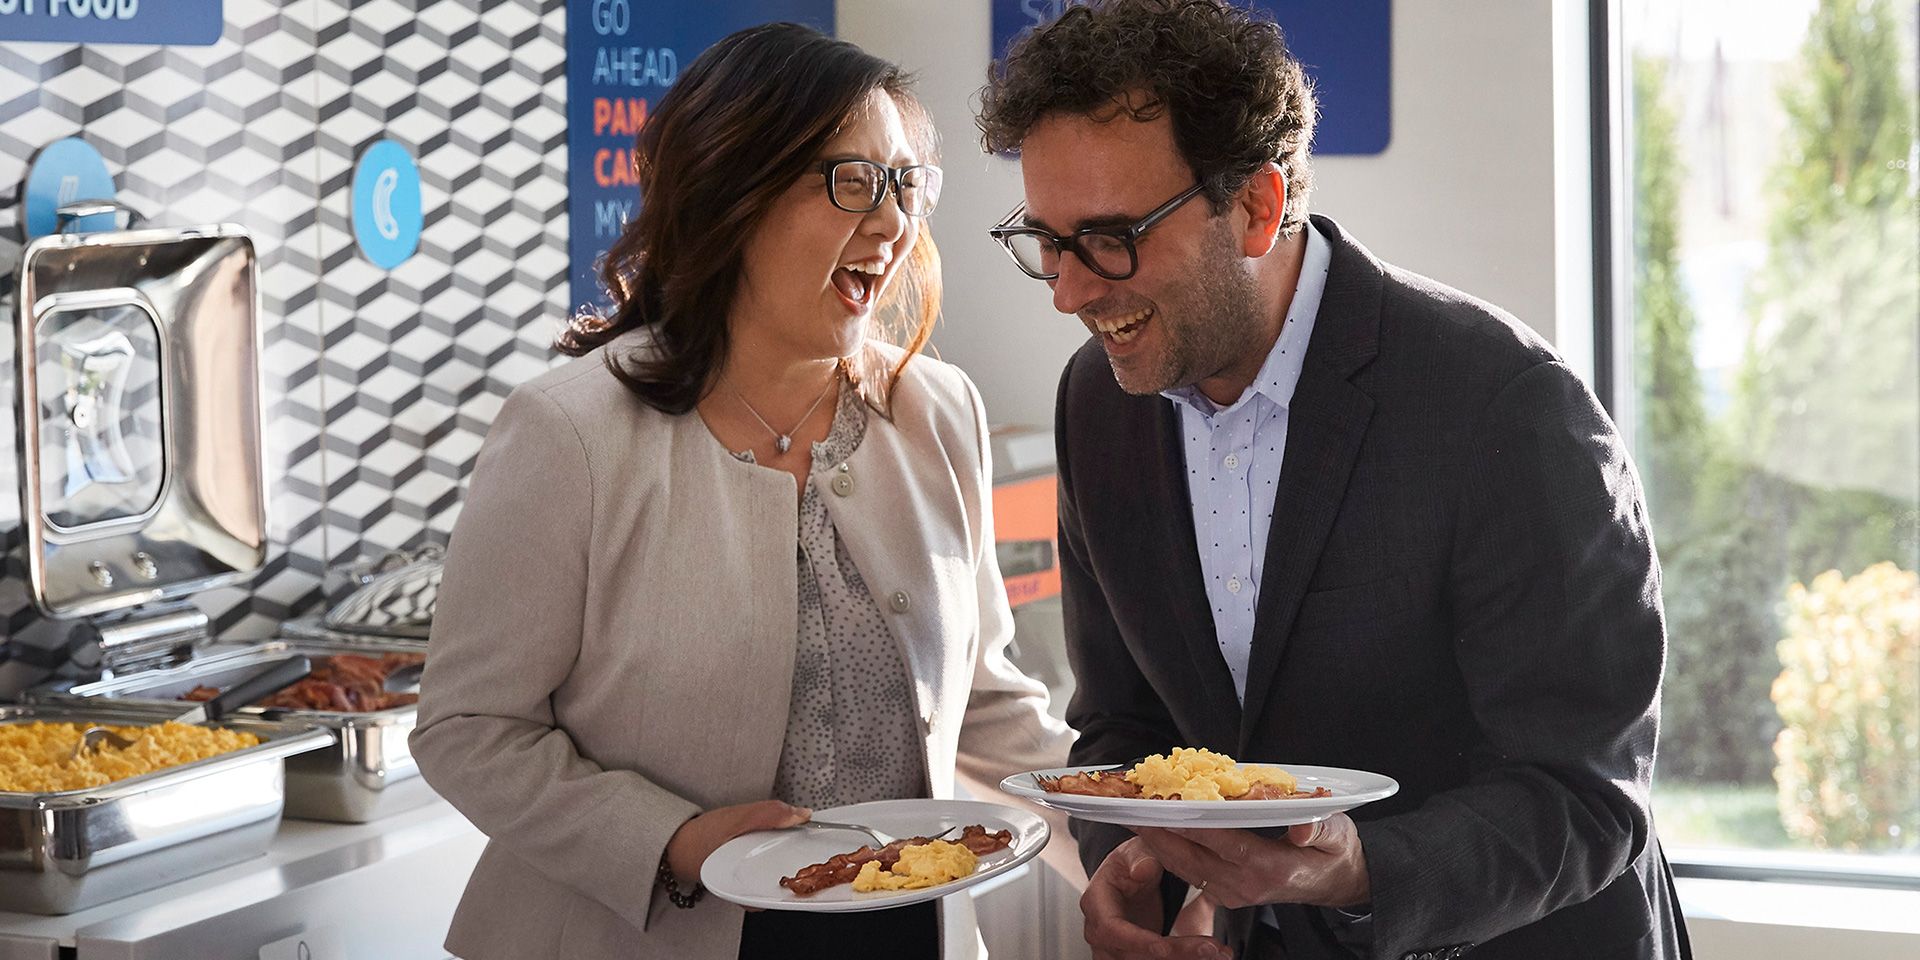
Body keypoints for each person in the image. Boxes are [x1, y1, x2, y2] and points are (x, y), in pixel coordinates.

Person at [975, 2, 1692, 958]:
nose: (1069, 291)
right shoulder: (1097, 405)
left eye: (1111, 238)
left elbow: (1588, 793)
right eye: (1048, 242)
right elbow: (1120, 724)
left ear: (1256, 207)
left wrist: (1360, 871)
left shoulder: (1505, 404)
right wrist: (1132, 863)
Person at [411, 23, 1072, 960]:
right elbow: (468, 728)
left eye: (905, 186)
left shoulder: (936, 410)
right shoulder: (570, 433)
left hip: (904, 933)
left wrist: (1132, 851)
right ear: (732, 190)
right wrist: (672, 842)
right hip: (645, 932)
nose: (892, 225)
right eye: (854, 182)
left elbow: (988, 703)